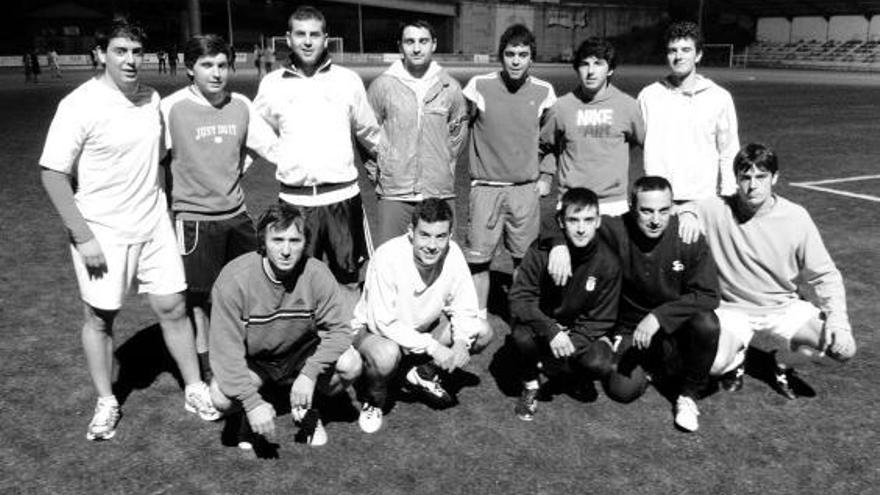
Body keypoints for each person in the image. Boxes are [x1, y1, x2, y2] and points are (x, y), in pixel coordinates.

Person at [38, 17, 218, 442]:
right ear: (101, 54)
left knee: (173, 307)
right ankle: (106, 400)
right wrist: (84, 237)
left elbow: (159, 163)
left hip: (153, 223)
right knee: (100, 318)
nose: (131, 60)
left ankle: (194, 388)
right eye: (121, 51)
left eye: (138, 52)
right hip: (103, 230)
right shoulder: (79, 105)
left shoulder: (151, 99)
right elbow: (52, 174)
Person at [546, 177, 736, 432]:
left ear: (673, 207)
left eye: (663, 210)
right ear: (631, 206)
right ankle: (657, 370)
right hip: (631, 330)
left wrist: (659, 317)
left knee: (707, 323)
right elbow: (556, 219)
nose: (656, 219)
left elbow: (709, 295)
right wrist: (558, 244)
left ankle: (689, 395)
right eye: (646, 211)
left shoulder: (687, 235)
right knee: (622, 391)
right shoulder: (616, 229)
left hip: (676, 329)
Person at [160, 34, 279, 381]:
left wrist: (233, 171)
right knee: (199, 302)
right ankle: (210, 369)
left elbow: (269, 148)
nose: (216, 73)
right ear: (189, 69)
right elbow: (153, 158)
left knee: (248, 290)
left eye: (222, 65)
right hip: (194, 220)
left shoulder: (240, 104)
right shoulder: (170, 109)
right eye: (206, 65)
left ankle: (246, 357)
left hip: (237, 216)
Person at [697, 143, 857, 399]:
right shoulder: (714, 209)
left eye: (761, 177)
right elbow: (678, 211)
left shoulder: (796, 217)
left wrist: (838, 320)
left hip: (783, 306)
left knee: (843, 350)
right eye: (745, 178)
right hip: (733, 308)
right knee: (714, 366)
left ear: (775, 178)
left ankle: (781, 361)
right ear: (736, 179)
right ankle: (736, 358)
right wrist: (684, 215)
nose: (753, 185)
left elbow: (825, 275)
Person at [254, 6, 382, 308]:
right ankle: (306, 350)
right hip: (295, 202)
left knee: (348, 280)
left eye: (314, 34)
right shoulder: (272, 84)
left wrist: (391, 168)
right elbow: (256, 133)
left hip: (342, 199)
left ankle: (347, 346)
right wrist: (282, 156)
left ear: (326, 39)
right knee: (295, 283)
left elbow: (370, 133)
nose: (307, 41)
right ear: (288, 38)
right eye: (300, 34)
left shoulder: (347, 80)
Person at [209, 204, 363, 447]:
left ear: (305, 243)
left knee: (350, 364)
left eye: (295, 240)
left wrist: (310, 373)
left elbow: (341, 330)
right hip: (256, 360)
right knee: (220, 397)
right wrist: (251, 403)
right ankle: (252, 415)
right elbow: (225, 353)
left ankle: (307, 409)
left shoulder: (317, 274)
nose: (286, 250)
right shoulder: (234, 280)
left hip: (301, 352)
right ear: (262, 242)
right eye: (277, 240)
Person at [353, 198, 493, 433]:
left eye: (440, 236)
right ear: (411, 233)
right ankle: (374, 400)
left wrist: (460, 342)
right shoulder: (388, 256)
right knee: (387, 355)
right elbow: (383, 322)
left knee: (481, 331)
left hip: (421, 331)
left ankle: (420, 372)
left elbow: (465, 304)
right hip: (375, 332)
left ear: (449, 236)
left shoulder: (454, 253)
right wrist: (433, 347)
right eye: (425, 235)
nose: (432, 245)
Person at [462, 24, 557, 317]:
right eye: (510, 54)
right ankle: (477, 317)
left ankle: (521, 317)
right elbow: (458, 126)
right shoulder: (479, 86)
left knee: (524, 260)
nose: (516, 60)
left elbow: (551, 141)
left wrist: (546, 175)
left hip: (523, 191)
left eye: (523, 54)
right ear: (500, 57)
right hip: (486, 188)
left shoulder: (544, 92)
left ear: (532, 59)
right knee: (478, 261)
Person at [508, 188, 621, 422]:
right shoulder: (540, 251)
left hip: (575, 330)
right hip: (543, 324)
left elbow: (602, 318)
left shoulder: (608, 262)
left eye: (588, 220)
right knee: (520, 335)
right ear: (561, 221)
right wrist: (551, 330)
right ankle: (530, 382)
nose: (581, 228)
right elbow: (519, 299)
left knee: (601, 363)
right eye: (573, 220)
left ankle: (565, 369)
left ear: (598, 221)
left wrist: (569, 343)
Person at [366, 19, 467, 245]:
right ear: (400, 46)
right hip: (394, 194)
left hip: (439, 192)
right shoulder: (382, 86)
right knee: (390, 263)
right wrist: (383, 173)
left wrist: (444, 169)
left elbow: (458, 135)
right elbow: (365, 135)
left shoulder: (449, 87)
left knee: (441, 261)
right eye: (410, 41)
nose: (417, 48)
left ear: (434, 44)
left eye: (423, 41)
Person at [637, 21, 739, 209]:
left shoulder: (719, 97)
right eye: (672, 50)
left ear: (698, 55)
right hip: (659, 201)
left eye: (686, 50)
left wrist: (728, 195)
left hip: (703, 199)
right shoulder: (648, 96)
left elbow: (729, 150)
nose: (678, 56)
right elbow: (639, 140)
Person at [539, 37, 644, 217]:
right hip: (571, 201)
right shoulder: (561, 107)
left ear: (610, 69)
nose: (591, 71)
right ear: (577, 68)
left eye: (598, 64)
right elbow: (547, 145)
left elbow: (640, 141)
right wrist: (546, 176)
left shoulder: (628, 106)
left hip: (613, 204)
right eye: (584, 64)